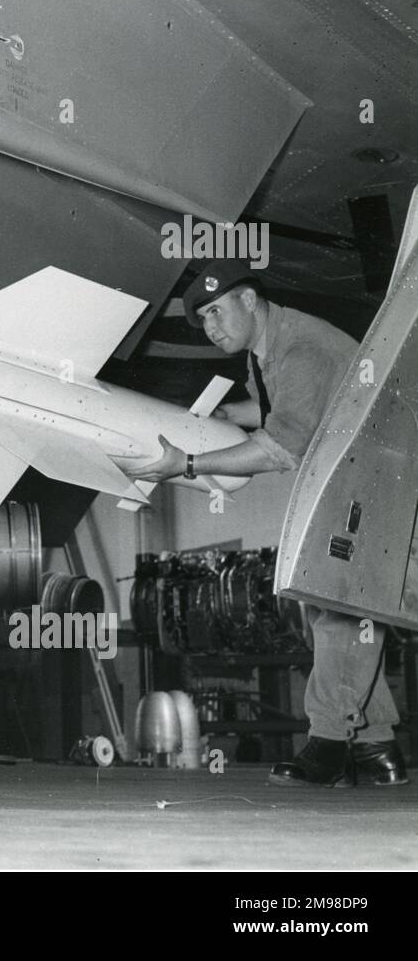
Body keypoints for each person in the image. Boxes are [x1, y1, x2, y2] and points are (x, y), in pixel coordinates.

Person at [121, 260, 406, 787]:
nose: (211, 327)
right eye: (203, 318)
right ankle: (373, 749)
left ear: (249, 300)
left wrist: (187, 464)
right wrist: (231, 417)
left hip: (384, 486)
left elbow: (280, 448)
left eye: (217, 311)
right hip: (363, 486)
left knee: (342, 604)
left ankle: (329, 746)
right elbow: (277, 412)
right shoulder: (266, 350)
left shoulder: (301, 349)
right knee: (344, 605)